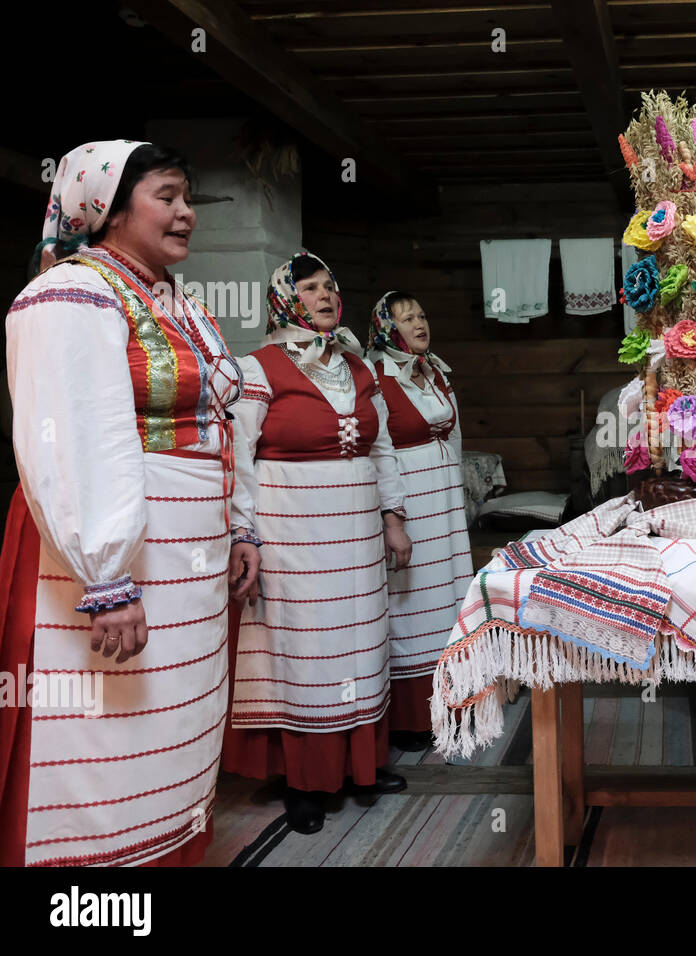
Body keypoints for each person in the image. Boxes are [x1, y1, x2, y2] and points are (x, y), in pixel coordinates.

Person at [0, 140, 260, 866]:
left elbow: (221, 427)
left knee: (167, 729)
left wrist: (239, 527)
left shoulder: (176, 301)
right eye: (168, 198)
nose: (186, 216)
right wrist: (107, 576)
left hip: (187, 556)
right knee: (102, 730)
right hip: (105, 562)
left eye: (186, 201)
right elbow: (72, 438)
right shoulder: (70, 295)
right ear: (108, 211)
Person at [221, 253, 411, 834]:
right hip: (293, 536)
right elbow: (239, 461)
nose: (325, 295)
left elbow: (382, 449)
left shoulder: (359, 367)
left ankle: (362, 767)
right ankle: (306, 782)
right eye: (309, 288)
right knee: (305, 655)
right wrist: (242, 533)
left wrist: (393, 517)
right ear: (285, 298)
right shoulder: (255, 370)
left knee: (361, 642)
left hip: (355, 534)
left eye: (330, 285)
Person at [366, 291, 473, 750]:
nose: (418, 323)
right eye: (406, 318)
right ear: (386, 329)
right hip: (412, 502)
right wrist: (394, 518)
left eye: (422, 314)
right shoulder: (376, 377)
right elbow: (380, 451)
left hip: (446, 504)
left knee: (451, 597)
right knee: (413, 605)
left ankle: (456, 703)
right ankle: (413, 717)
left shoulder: (438, 373)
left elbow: (458, 438)